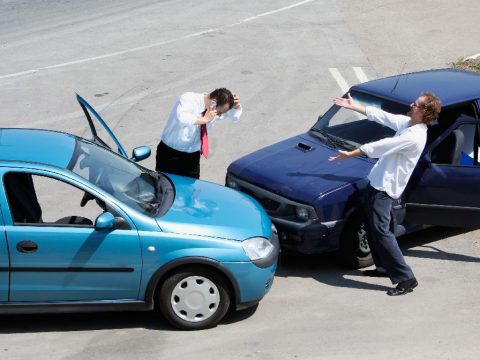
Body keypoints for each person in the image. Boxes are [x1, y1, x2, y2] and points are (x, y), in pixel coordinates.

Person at [329, 92, 441, 296]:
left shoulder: (414, 136)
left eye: (415, 104)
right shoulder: (409, 124)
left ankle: (406, 278)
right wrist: (354, 106)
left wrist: (352, 154)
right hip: (377, 183)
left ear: (423, 112)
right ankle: (383, 268)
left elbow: (382, 146)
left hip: (384, 189)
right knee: (376, 227)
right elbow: (383, 116)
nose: (410, 104)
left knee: (381, 231)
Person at [156, 88, 242, 179]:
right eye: (219, 112)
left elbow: (234, 117)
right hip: (170, 155)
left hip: (192, 158)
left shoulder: (214, 110)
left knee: (192, 190)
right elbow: (181, 118)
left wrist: (237, 107)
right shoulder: (189, 98)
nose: (220, 115)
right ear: (213, 102)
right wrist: (204, 119)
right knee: (164, 189)